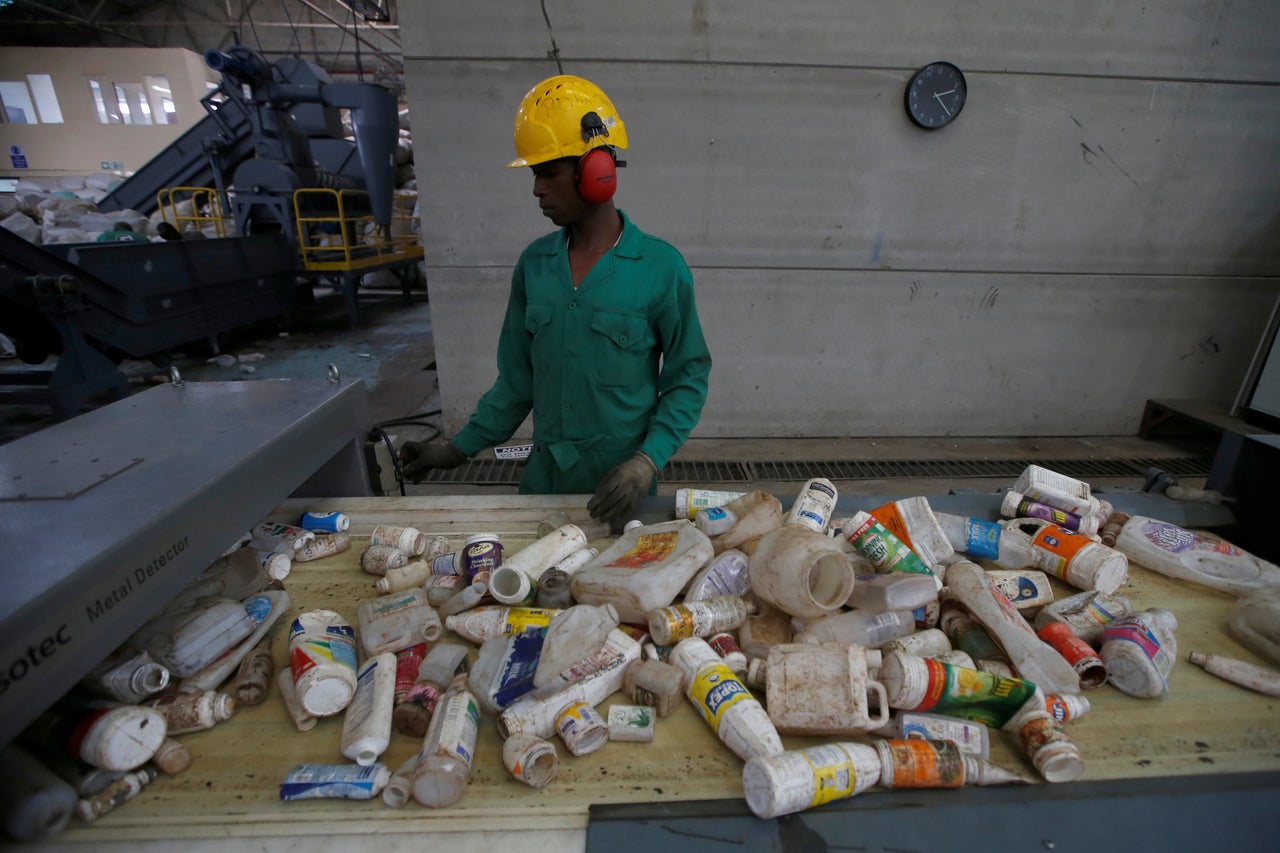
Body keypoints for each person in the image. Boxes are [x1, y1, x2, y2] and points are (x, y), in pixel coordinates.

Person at [400, 74, 712, 524]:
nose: (537, 189)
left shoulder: (660, 269)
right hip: (543, 486)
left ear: (596, 172)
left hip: (621, 493)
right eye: (534, 174)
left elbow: (687, 378)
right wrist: (456, 449)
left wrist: (646, 463)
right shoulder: (535, 266)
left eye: (549, 172)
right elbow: (517, 380)